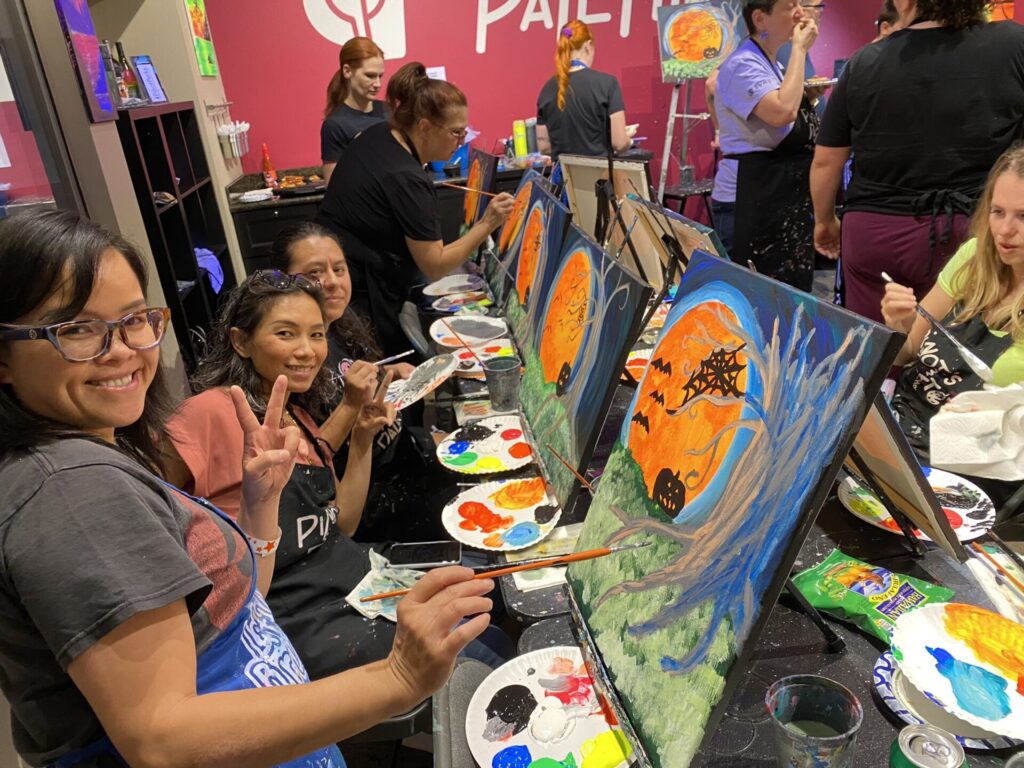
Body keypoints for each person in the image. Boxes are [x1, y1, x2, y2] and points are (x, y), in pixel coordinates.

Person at [0, 210, 493, 767]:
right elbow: (162, 738)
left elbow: (238, 607)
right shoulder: (71, 488)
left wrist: (259, 508)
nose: (121, 350)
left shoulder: (96, 456)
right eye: (76, 329)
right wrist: (399, 677)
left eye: (135, 319)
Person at [811, 0, 1024, 322]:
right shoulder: (1012, 43)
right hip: (975, 230)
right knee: (967, 358)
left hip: (875, 232)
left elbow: (827, 160)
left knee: (881, 351)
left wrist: (824, 222)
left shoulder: (866, 60)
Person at [269, 222, 459, 543]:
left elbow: (358, 387)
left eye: (339, 269)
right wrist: (353, 408)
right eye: (315, 273)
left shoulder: (341, 324)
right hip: (376, 502)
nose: (331, 282)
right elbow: (316, 459)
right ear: (283, 281)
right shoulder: (291, 360)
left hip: (407, 458)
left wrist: (387, 376)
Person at [317, 62, 514, 355]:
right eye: (456, 134)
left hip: (338, 272)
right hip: (358, 293)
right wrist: (488, 223)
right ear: (424, 127)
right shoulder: (406, 178)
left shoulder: (382, 133)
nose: (461, 143)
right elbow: (434, 265)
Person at [882, 146, 1024, 507]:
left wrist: (1005, 416)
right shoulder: (975, 258)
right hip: (903, 435)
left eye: (1023, 216)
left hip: (976, 469)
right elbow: (907, 352)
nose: (1006, 230)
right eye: (998, 212)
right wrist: (899, 325)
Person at [712, 0, 820, 290]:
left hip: (775, 197)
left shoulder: (772, 62)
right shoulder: (741, 64)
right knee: (748, 298)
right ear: (760, 19)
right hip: (747, 202)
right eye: (789, 6)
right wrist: (799, 49)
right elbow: (782, 112)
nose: (800, 12)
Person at [535, 20, 634, 161]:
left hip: (563, 178)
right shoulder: (607, 84)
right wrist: (628, 141)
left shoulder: (546, 89)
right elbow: (619, 143)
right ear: (588, 46)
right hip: (599, 178)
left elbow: (544, 146)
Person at [321, 36, 387, 183]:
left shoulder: (390, 111)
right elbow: (334, 187)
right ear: (347, 71)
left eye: (380, 76)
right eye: (370, 76)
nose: (377, 84)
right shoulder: (335, 125)